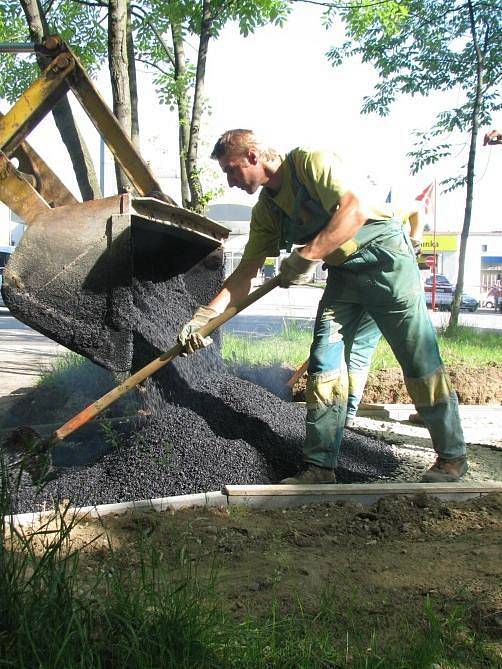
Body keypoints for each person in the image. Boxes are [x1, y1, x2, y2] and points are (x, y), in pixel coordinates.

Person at [178, 129, 468, 484]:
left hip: (386, 261)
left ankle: (452, 458)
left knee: (416, 356)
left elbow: (355, 209)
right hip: (344, 273)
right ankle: (320, 467)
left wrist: (307, 255)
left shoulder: (310, 162)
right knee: (324, 361)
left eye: (231, 169)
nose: (230, 180)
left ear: (253, 155)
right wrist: (209, 315)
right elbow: (245, 273)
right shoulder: (267, 211)